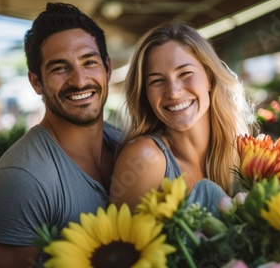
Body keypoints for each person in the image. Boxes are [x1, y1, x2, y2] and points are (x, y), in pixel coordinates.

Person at [0, 2, 120, 268]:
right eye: (60, 68)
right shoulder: (20, 180)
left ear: (107, 68)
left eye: (89, 62)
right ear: (36, 82)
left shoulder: (127, 144)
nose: (80, 80)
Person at [109, 22, 254, 216]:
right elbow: (124, 243)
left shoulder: (240, 148)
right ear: (146, 95)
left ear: (210, 78)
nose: (174, 92)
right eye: (157, 81)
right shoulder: (144, 159)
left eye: (185, 73)